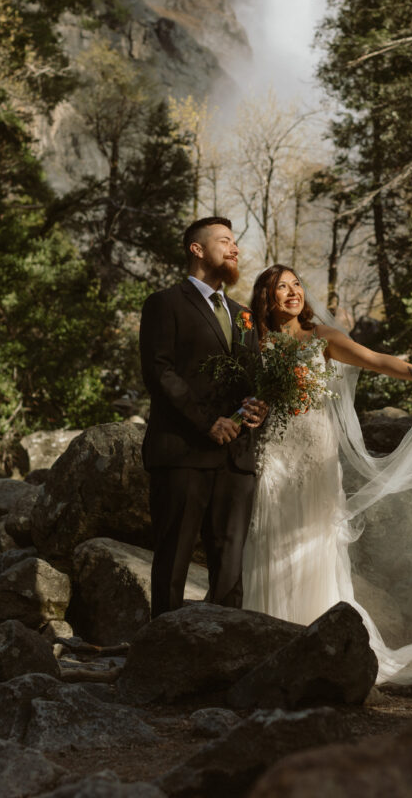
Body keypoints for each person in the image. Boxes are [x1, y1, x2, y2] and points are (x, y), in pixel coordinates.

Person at [242, 264, 412, 696]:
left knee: (315, 544)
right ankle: (270, 640)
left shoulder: (322, 339)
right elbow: (242, 394)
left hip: (315, 455)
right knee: (270, 538)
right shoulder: (252, 342)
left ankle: (321, 643)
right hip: (274, 452)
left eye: (296, 285)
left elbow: (373, 360)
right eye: (281, 287)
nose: (292, 292)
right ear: (266, 296)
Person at [139, 217, 267, 616]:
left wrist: (259, 406)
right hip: (182, 453)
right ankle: (160, 654)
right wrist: (207, 422)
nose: (235, 249)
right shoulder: (164, 303)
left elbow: (253, 375)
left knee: (230, 568)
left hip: (237, 458)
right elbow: (160, 372)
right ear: (196, 249)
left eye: (235, 243)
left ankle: (225, 656)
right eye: (225, 241)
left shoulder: (243, 314)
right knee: (173, 561)